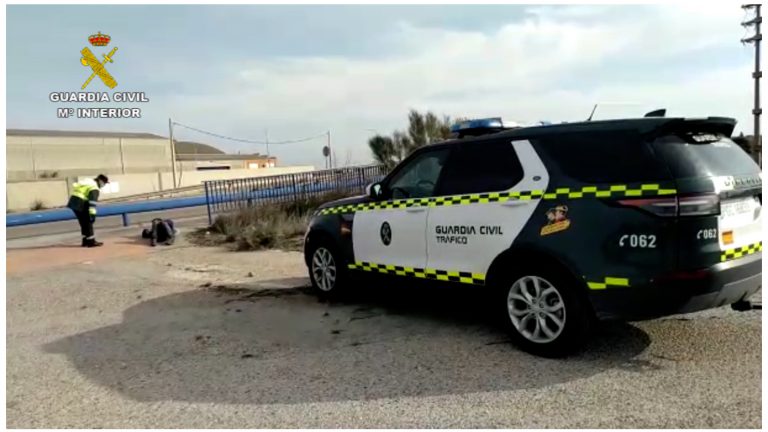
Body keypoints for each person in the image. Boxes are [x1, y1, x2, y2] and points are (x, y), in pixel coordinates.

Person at [67, 174, 109, 247]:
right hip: (81, 203)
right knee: (88, 222)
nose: (104, 185)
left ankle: (85, 241)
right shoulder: (94, 187)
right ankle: (91, 242)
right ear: (100, 181)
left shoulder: (88, 183)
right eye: (104, 183)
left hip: (73, 202)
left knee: (83, 223)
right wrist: (92, 214)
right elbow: (92, 202)